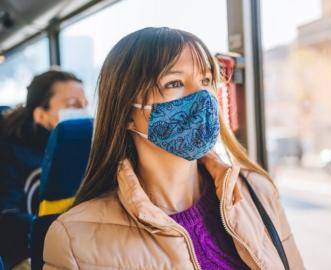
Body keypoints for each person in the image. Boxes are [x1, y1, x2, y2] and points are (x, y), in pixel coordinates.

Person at [43, 27, 304, 270]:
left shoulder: (258, 192)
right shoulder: (74, 240)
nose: (202, 97)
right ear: (126, 114)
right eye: (174, 83)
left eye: (206, 80)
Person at [0, 70, 87, 269]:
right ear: (40, 114)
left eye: (85, 105)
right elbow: (7, 216)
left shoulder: (81, 150)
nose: (83, 112)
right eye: (73, 105)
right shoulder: (7, 151)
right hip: (23, 252)